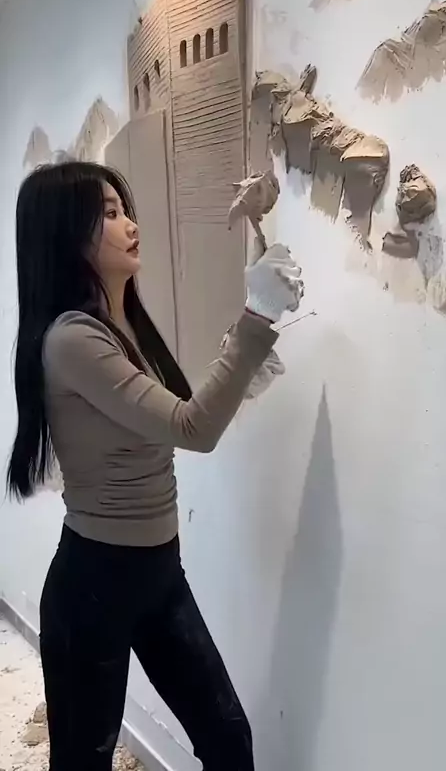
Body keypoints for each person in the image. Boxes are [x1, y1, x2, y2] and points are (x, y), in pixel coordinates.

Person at [7, 161, 304, 771]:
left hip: (158, 572)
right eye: (110, 214)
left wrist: (247, 358)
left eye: (126, 210)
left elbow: (176, 414)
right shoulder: (72, 340)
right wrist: (256, 316)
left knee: (228, 738)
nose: (131, 226)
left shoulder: (121, 328)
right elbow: (193, 428)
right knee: (84, 760)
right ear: (68, 235)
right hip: (94, 584)